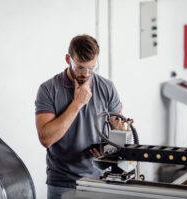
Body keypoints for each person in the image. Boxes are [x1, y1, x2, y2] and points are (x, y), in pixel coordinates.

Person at [35, 35, 122, 199]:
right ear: (68, 59)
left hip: (99, 179)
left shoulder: (107, 87)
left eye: (92, 67)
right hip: (62, 183)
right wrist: (77, 103)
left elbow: (119, 132)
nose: (87, 74)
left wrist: (109, 152)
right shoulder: (48, 90)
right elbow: (46, 139)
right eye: (81, 67)